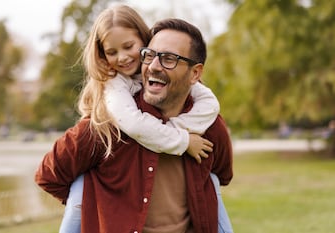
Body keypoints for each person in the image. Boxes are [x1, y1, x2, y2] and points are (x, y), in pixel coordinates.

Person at [36, 12, 233, 233]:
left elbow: (221, 175)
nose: (155, 66)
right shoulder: (107, 126)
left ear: (195, 73)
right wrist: (94, 203)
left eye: (169, 59)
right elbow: (49, 175)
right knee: (81, 184)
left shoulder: (210, 126)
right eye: (151, 56)